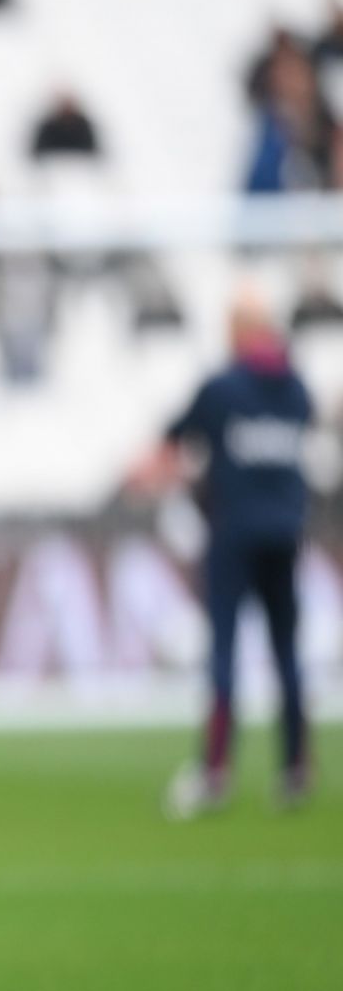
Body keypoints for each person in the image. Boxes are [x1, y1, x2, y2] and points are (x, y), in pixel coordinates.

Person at [143, 288, 313, 819]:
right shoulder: (297, 390)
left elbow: (175, 438)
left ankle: (215, 772)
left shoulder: (222, 388)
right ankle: (296, 767)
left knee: (224, 651)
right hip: (285, 533)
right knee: (287, 651)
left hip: (234, 535)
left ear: (237, 331)